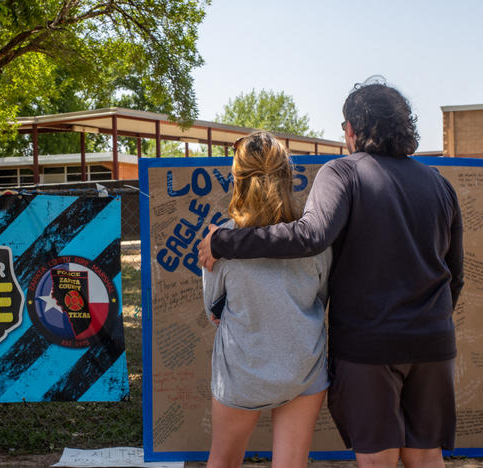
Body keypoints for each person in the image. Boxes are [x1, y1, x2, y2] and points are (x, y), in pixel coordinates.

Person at [199, 78, 464, 468]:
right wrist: (429, 320)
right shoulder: (440, 186)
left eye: (344, 127)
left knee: (378, 458)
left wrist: (226, 242)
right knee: (426, 455)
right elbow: (455, 275)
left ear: (353, 129)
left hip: (368, 346)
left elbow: (311, 235)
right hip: (434, 343)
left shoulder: (342, 173)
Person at [203, 131, 331, 468]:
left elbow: (213, 310)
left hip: (242, 370)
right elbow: (321, 297)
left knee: (223, 460)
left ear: (238, 180)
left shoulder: (220, 240)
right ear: (288, 177)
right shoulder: (315, 240)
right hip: (303, 368)